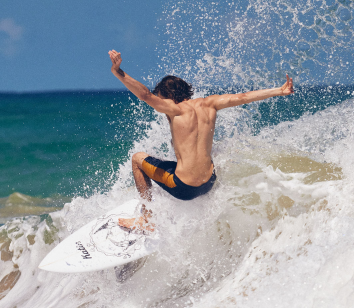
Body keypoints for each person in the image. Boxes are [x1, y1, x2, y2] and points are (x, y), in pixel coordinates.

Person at [108, 49, 294, 231]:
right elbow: (243, 97)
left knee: (138, 159)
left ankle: (146, 221)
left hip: (184, 189)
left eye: (162, 99)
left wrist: (118, 71)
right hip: (209, 184)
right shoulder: (210, 103)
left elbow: (144, 95)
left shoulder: (175, 109)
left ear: (170, 97)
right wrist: (279, 90)